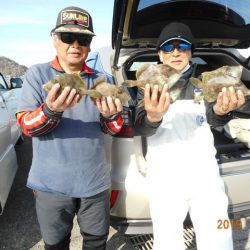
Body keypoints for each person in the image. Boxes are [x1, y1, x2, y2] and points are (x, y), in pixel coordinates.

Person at [16, 6, 124, 250]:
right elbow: (26, 126)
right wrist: (51, 110)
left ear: (88, 44)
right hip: (51, 185)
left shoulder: (103, 80)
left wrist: (112, 115)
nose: (75, 44)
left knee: (96, 243)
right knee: (55, 244)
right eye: (67, 37)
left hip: (95, 184)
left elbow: (115, 129)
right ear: (55, 40)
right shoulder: (37, 74)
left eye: (83, 39)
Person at [135, 22, 246, 250]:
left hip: (204, 173)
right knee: (167, 241)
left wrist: (222, 110)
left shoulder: (206, 79)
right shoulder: (148, 82)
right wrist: (153, 117)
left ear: (190, 52)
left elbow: (213, 118)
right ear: (159, 54)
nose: (175, 52)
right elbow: (140, 127)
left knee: (218, 235)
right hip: (164, 175)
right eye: (168, 48)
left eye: (182, 46)